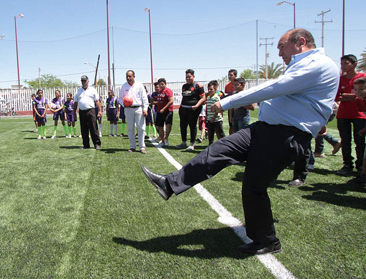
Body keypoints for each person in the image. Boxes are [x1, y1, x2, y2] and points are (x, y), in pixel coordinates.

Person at [141, 29, 339, 255]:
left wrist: (227, 103)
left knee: (253, 186)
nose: (278, 52)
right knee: (219, 149)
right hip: (264, 129)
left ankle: (267, 241)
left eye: (281, 46)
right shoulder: (301, 64)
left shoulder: (320, 64)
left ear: (301, 42)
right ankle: (169, 184)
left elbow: (273, 88)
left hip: (287, 135)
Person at [335, 54, 366, 176]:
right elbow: (336, 96)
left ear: (354, 64)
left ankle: (360, 166)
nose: (342, 66)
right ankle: (347, 164)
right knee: (345, 141)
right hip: (343, 114)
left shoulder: (362, 77)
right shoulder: (340, 79)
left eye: (345, 63)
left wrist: (351, 96)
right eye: (341, 63)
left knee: (360, 141)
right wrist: (346, 97)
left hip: (359, 115)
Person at [118, 70, 149, 154]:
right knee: (130, 128)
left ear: (134, 76)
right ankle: (132, 146)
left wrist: (145, 109)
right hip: (128, 109)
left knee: (141, 128)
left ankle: (142, 147)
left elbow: (144, 98)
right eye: (127, 76)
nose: (128, 78)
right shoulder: (124, 86)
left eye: (130, 76)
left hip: (139, 108)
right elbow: (120, 98)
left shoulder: (139, 85)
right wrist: (124, 105)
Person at [175, 69, 206, 151]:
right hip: (183, 109)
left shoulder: (198, 86)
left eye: (189, 77)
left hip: (193, 109)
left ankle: (192, 144)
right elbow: (184, 97)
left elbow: (203, 98)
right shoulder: (184, 86)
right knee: (183, 126)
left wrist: (196, 106)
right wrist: (181, 107)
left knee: (192, 126)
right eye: (186, 77)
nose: (188, 78)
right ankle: (183, 143)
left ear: (193, 76)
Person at [74, 75, 101, 149]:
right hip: (82, 112)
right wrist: (74, 113)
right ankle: (86, 145)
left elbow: (97, 101)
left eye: (85, 80)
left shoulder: (93, 90)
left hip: (91, 111)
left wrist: (100, 111)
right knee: (83, 129)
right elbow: (75, 102)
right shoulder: (78, 91)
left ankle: (97, 144)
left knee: (93, 128)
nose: (83, 82)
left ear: (88, 81)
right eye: (82, 81)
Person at [348, 77, 366, 187]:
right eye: (355, 89)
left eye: (362, 89)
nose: (358, 92)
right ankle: (363, 177)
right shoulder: (360, 101)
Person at [154, 78, 174, 147]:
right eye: (160, 84)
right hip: (160, 111)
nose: (161, 86)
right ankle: (162, 140)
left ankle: (166, 138)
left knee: (168, 125)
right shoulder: (159, 92)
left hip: (168, 111)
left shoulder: (168, 91)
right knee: (160, 126)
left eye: (162, 84)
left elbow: (171, 101)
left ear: (165, 84)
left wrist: (164, 108)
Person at [225, 69, 238, 134]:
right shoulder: (227, 86)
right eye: (228, 75)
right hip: (230, 108)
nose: (229, 77)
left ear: (235, 76)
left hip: (238, 107)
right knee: (231, 125)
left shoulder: (239, 84)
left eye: (231, 75)